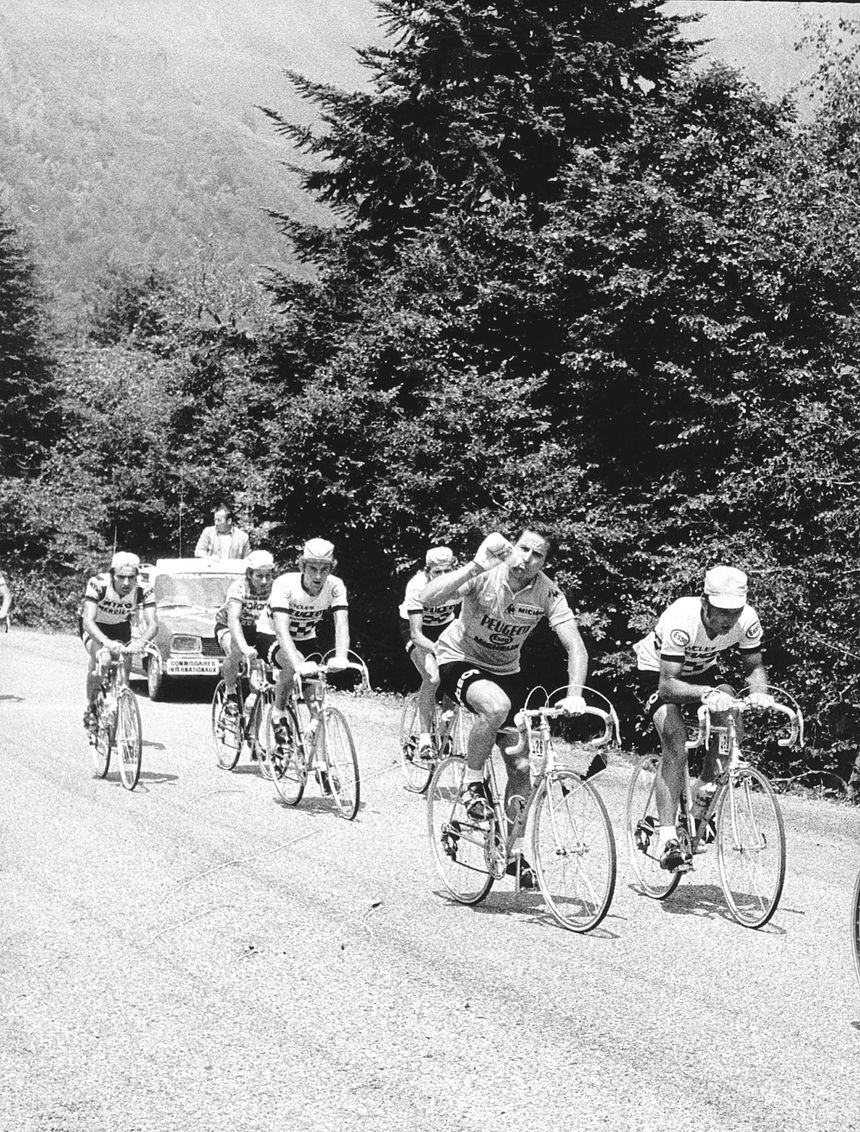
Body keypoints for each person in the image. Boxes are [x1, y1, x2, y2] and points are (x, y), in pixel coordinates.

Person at [421, 527, 588, 887]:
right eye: (523, 549)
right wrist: (474, 566)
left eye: (537, 555)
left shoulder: (547, 591)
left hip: (505, 669)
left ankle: (512, 851)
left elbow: (576, 646)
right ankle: (471, 782)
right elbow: (427, 598)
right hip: (458, 658)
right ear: (512, 548)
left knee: (522, 765)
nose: (526, 559)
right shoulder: (487, 573)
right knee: (494, 707)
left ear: (545, 562)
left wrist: (576, 693)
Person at [632, 564, 774, 871]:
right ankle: (667, 838)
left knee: (731, 716)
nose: (727, 621)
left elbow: (754, 666)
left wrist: (760, 692)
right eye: (720, 612)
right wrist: (706, 693)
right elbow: (669, 685)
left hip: (700, 672)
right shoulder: (680, 618)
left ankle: (700, 805)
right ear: (704, 601)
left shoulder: (747, 620)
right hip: (657, 673)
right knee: (676, 739)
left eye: (734, 613)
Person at [262, 539, 351, 773]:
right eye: (313, 568)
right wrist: (298, 664)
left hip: (306, 637)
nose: (318, 576)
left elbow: (342, 625)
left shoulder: (335, 586)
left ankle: (322, 765)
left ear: (332, 568)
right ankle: (278, 712)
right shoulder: (285, 584)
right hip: (271, 634)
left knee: (316, 702)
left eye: (325, 569)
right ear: (302, 566)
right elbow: (281, 630)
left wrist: (341, 656)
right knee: (292, 666)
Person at [80, 551, 158, 732]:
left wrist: (141, 643)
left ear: (137, 576)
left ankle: (120, 706)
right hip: (95, 626)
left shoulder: (144, 589)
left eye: (131, 578)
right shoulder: (98, 584)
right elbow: (88, 621)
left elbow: (153, 624)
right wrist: (106, 642)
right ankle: (91, 705)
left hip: (120, 626)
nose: (126, 583)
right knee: (103, 659)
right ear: (112, 574)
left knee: (125, 666)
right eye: (121, 577)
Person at [398, 546, 460, 761]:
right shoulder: (416, 586)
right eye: (437, 573)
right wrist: (439, 650)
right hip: (417, 630)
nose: (442, 578)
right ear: (427, 571)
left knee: (455, 676)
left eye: (447, 572)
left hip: (445, 626)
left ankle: (445, 733)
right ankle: (425, 738)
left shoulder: (461, 582)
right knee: (432, 677)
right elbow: (417, 635)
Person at [214, 550, 276, 721]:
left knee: (259, 673)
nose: (264, 581)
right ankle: (230, 692)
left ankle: (253, 738)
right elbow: (233, 619)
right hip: (229, 626)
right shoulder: (239, 587)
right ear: (249, 574)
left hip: (257, 629)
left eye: (268, 576)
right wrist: (243, 648)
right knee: (234, 651)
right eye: (259, 576)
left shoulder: (276, 587)